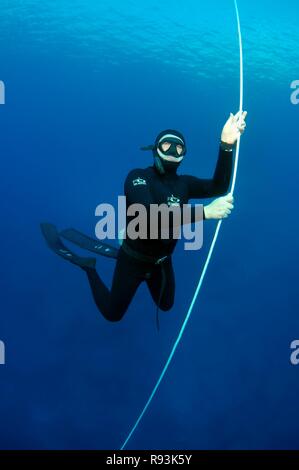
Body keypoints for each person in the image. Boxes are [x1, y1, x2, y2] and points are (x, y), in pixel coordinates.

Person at [41, 111, 247, 323]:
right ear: (155, 148)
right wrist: (205, 212)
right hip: (132, 258)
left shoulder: (184, 184)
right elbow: (149, 218)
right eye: (167, 145)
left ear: (184, 154)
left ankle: (126, 243)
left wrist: (226, 143)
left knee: (166, 306)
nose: (173, 150)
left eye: (179, 147)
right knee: (113, 314)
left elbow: (219, 186)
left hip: (161, 262)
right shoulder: (138, 176)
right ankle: (89, 267)